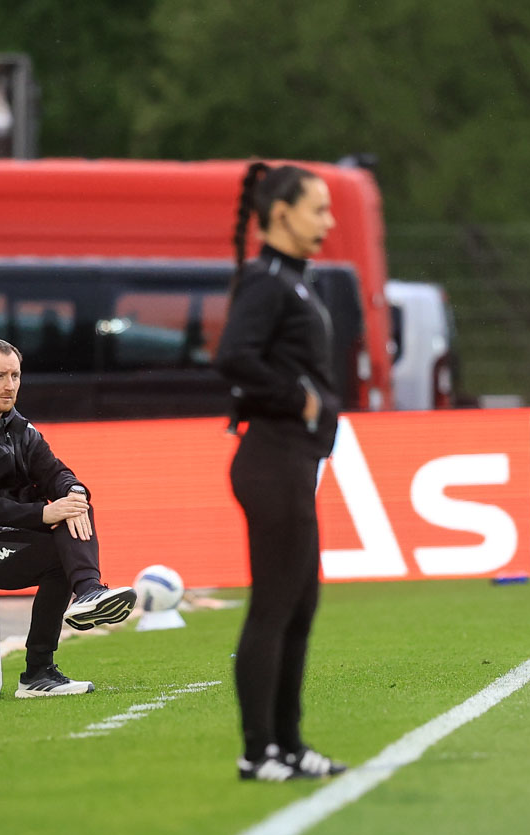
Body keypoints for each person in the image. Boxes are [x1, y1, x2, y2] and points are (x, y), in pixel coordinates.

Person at [215, 162, 348, 782]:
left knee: (300, 604)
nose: (328, 220)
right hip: (271, 457)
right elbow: (233, 357)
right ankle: (258, 751)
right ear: (280, 214)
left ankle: (290, 746)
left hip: (294, 460)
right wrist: (301, 398)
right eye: (318, 208)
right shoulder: (268, 281)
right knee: (274, 605)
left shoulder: (294, 281)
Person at [0, 338, 136, 698]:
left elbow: (57, 473)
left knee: (77, 505)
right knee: (58, 546)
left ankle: (87, 593)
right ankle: (39, 669)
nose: (10, 385)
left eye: (15, 375)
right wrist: (44, 513)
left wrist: (74, 494)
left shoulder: (19, 428)